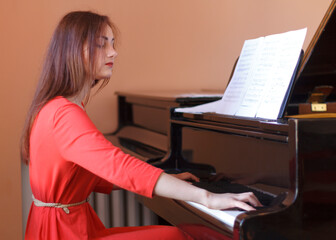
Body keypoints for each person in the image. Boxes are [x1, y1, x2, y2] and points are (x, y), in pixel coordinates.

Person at [21, 11, 261, 240]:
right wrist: (207, 198)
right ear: (73, 50)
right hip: (64, 232)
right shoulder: (64, 115)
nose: (113, 52)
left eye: (113, 44)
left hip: (67, 226)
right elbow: (119, 166)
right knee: (175, 236)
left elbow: (93, 175)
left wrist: (165, 178)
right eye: (101, 44)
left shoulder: (58, 107)